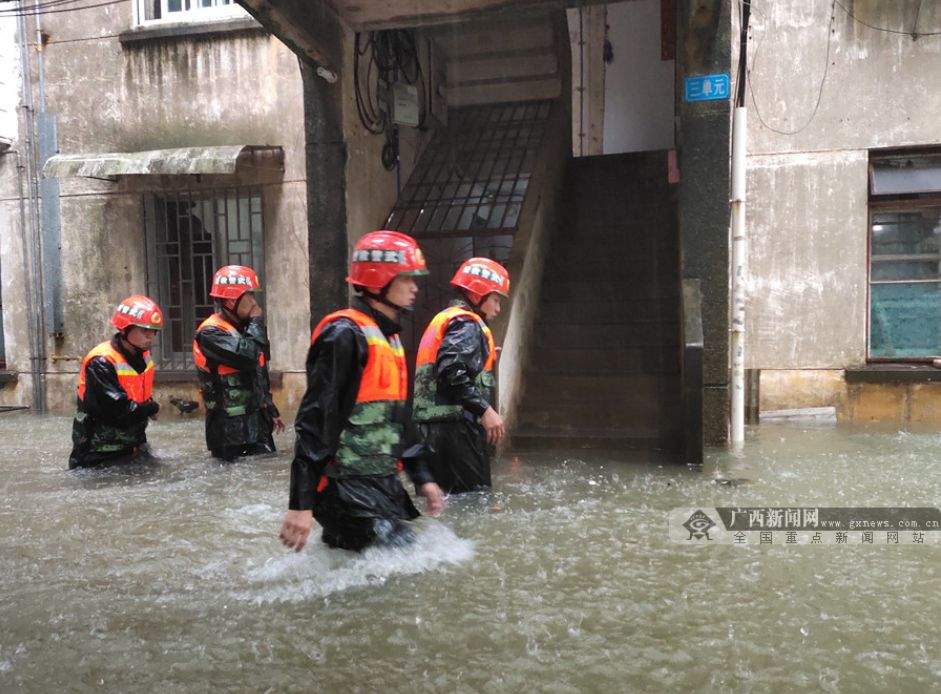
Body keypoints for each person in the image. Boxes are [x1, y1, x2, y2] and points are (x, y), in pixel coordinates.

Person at [279, 230, 445, 552]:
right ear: (376, 281)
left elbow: (396, 419)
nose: (415, 287)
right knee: (396, 565)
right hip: (344, 486)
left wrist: (422, 476)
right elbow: (316, 420)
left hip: (377, 482)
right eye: (406, 278)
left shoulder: (389, 339)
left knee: (385, 567)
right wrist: (301, 502)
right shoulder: (344, 335)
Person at [412, 257, 510, 493]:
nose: (498, 308)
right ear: (478, 294)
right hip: (456, 432)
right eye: (496, 299)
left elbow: (447, 366)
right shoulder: (467, 324)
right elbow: (451, 372)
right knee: (475, 502)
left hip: (434, 431)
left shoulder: (448, 319)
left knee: (444, 505)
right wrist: (485, 411)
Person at [193, 265, 284, 462]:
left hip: (257, 424)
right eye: (249, 296)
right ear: (231, 300)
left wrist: (269, 407)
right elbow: (249, 357)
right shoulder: (211, 333)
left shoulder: (245, 328)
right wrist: (256, 323)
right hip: (230, 433)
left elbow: (260, 366)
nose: (254, 302)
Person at [69, 295, 163, 469]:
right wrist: (152, 408)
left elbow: (138, 392)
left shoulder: (142, 355)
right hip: (99, 452)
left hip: (132, 444)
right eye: (144, 330)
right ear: (124, 329)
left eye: (154, 331)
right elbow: (119, 410)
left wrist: (148, 405)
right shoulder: (102, 362)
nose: (151, 337)